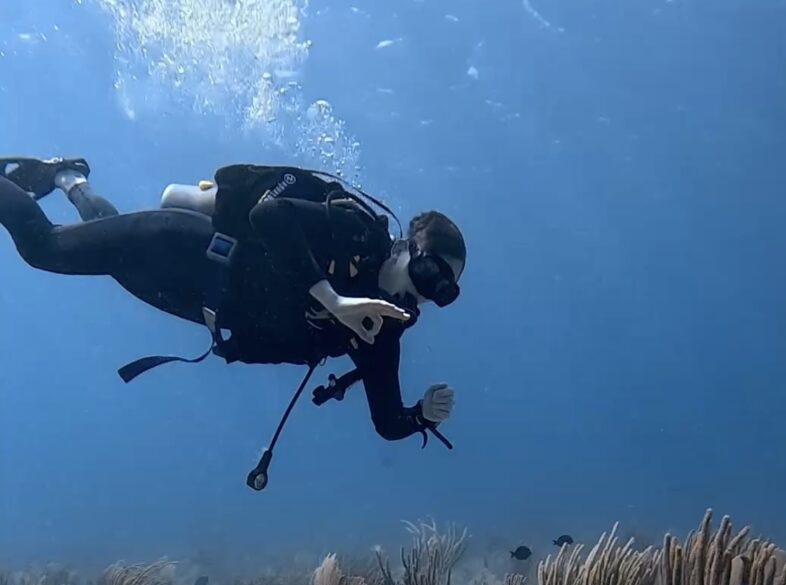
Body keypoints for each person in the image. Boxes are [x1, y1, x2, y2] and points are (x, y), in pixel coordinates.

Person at [0, 156, 465, 475]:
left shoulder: (380, 333)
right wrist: (334, 301)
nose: (423, 293)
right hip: (189, 246)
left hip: (197, 305)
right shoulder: (355, 234)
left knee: (105, 250)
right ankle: (60, 179)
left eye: (441, 292)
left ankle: (68, 179)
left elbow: (386, 422)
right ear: (408, 247)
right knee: (47, 248)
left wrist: (420, 416)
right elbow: (268, 216)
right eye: (427, 272)